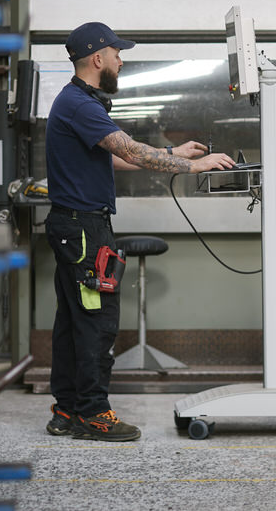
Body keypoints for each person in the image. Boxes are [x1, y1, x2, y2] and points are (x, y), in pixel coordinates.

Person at [44, 22, 235, 441]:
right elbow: (129, 150)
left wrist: (171, 153)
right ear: (98, 58)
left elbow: (115, 158)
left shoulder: (81, 102)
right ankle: (93, 413)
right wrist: (192, 166)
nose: (121, 60)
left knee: (74, 321)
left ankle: (67, 409)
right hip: (82, 231)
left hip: (75, 227)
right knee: (95, 321)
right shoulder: (80, 104)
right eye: (117, 53)